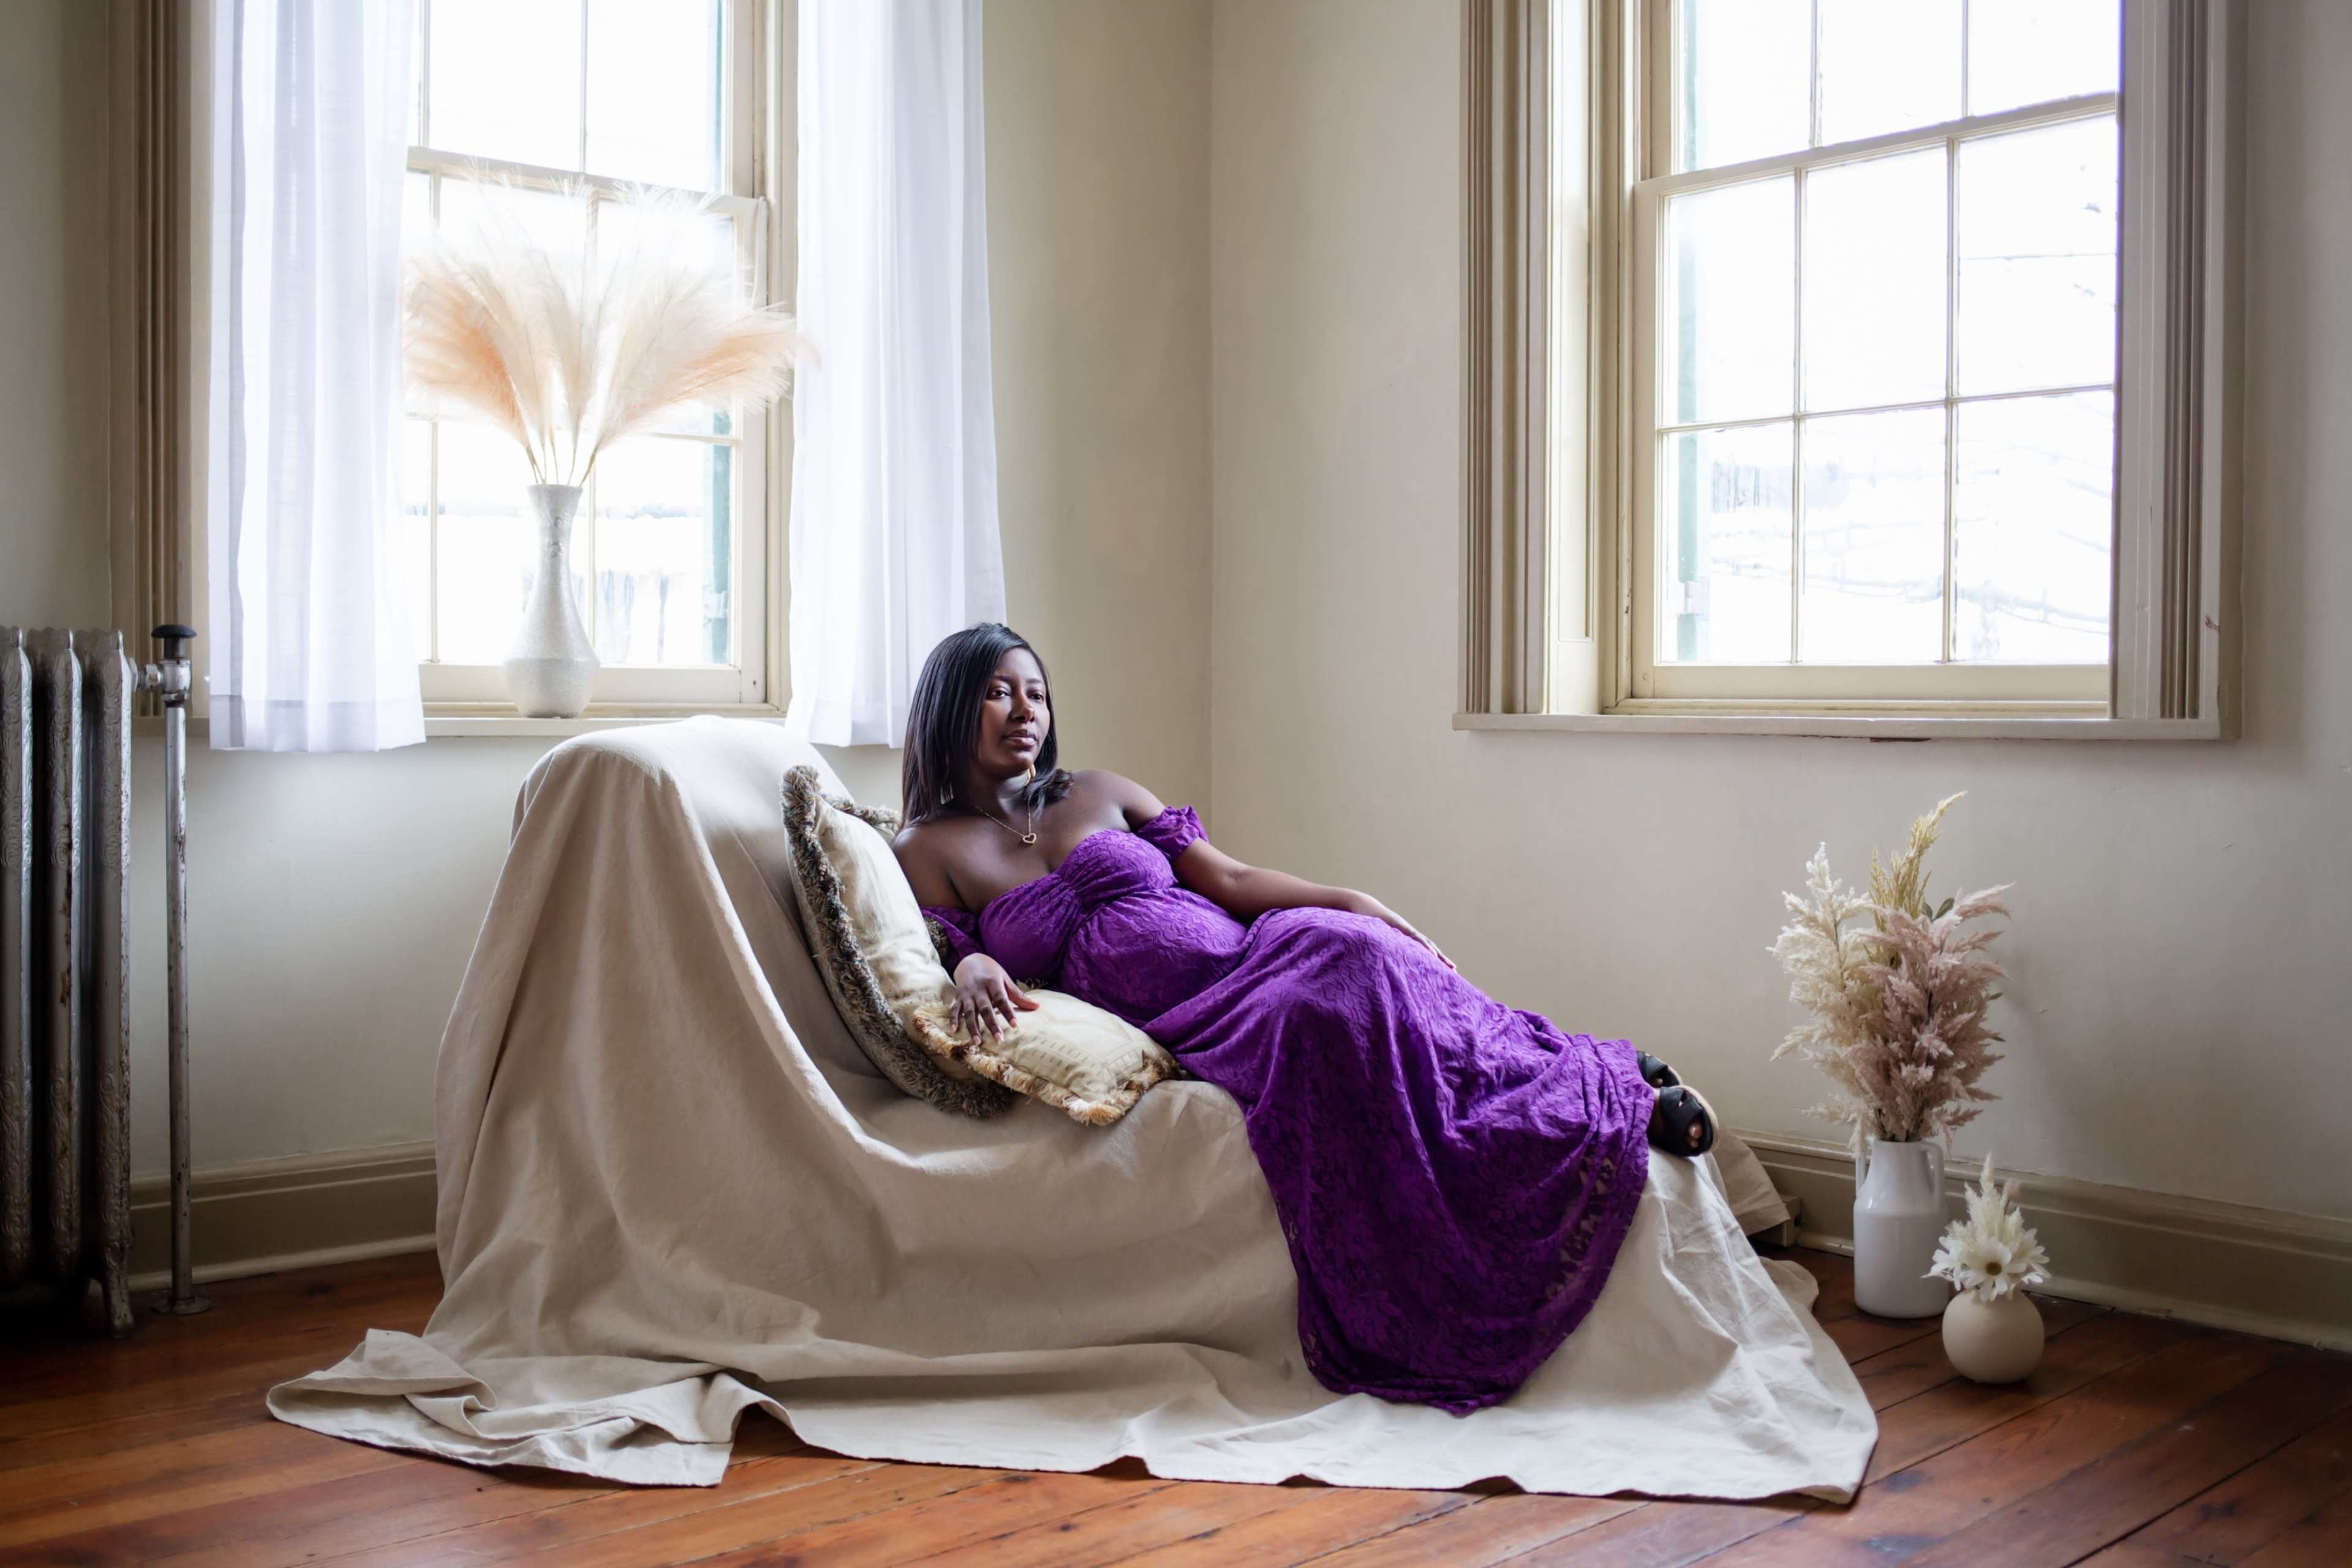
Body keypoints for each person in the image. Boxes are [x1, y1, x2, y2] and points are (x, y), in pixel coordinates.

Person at [892, 622, 1714, 1414]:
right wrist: (972, 962)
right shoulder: (926, 847)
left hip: (1260, 949)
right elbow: (937, 952)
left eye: (1037, 692)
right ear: (951, 705)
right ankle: (1606, 1088)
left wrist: (1353, 899)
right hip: (1204, 1014)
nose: (1026, 710)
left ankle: (1603, 1081)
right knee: (1318, 1023)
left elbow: (1233, 878)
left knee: (1364, 965)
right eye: (1000, 692)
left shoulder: (1099, 791)